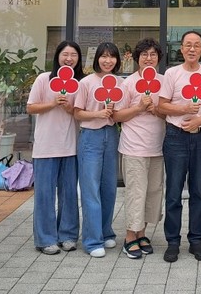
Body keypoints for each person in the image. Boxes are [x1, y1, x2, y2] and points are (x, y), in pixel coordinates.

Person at [157, 31, 201, 263]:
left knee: (197, 191)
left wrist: (200, 120)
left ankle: (196, 240)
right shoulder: (171, 73)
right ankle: (172, 241)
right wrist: (184, 110)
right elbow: (162, 106)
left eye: (197, 45)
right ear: (181, 49)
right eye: (188, 45)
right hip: (176, 137)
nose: (192, 49)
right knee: (173, 191)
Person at [26, 41, 83, 255]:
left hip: (71, 147)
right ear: (57, 56)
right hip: (45, 147)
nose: (69, 58)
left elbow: (82, 113)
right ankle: (45, 238)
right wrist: (52, 103)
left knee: (69, 194)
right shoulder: (44, 79)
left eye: (74, 55)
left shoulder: (81, 83)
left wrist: (69, 107)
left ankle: (67, 235)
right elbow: (31, 107)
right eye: (65, 54)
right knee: (44, 195)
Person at [113, 38, 166, 260]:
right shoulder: (128, 83)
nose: (149, 58)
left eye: (153, 54)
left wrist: (156, 110)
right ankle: (129, 237)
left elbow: (168, 112)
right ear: (137, 58)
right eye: (144, 54)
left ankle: (142, 233)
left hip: (158, 147)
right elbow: (117, 115)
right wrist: (139, 108)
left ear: (158, 58)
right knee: (136, 192)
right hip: (134, 147)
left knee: (153, 192)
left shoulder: (164, 81)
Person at [74, 42, 122, 258]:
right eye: (103, 56)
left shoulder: (121, 83)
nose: (107, 60)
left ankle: (106, 231)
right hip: (90, 137)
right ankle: (92, 240)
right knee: (90, 188)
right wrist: (97, 114)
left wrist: (114, 112)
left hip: (111, 135)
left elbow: (122, 111)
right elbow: (77, 113)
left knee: (109, 187)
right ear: (97, 59)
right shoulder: (86, 82)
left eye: (112, 56)